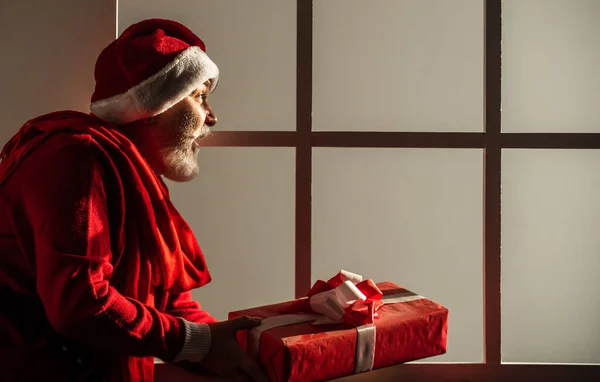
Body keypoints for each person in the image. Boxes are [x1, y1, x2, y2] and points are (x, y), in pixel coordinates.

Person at [0, 18, 268, 382]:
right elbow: (80, 304)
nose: (212, 117)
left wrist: (240, 348)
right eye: (200, 96)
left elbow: (167, 302)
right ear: (154, 105)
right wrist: (201, 344)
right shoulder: (74, 158)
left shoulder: (132, 173)